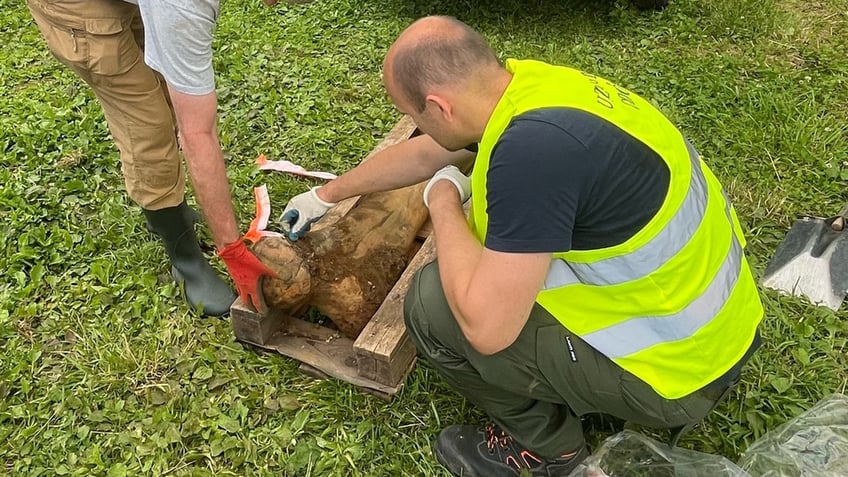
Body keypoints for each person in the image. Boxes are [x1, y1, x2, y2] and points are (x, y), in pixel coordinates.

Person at [279, 15, 764, 477]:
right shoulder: (532, 90)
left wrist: (444, 202)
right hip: (722, 327)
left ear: (440, 107)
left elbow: (487, 329)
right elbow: (432, 151)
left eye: (413, 115)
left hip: (676, 372)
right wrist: (327, 193)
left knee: (433, 306)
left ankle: (548, 449)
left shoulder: (531, 159)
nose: (418, 128)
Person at [26, 0, 276, 316]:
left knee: (164, 90)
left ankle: (169, 217)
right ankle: (184, 260)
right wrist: (232, 250)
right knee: (147, 125)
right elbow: (197, 133)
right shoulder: (184, 6)